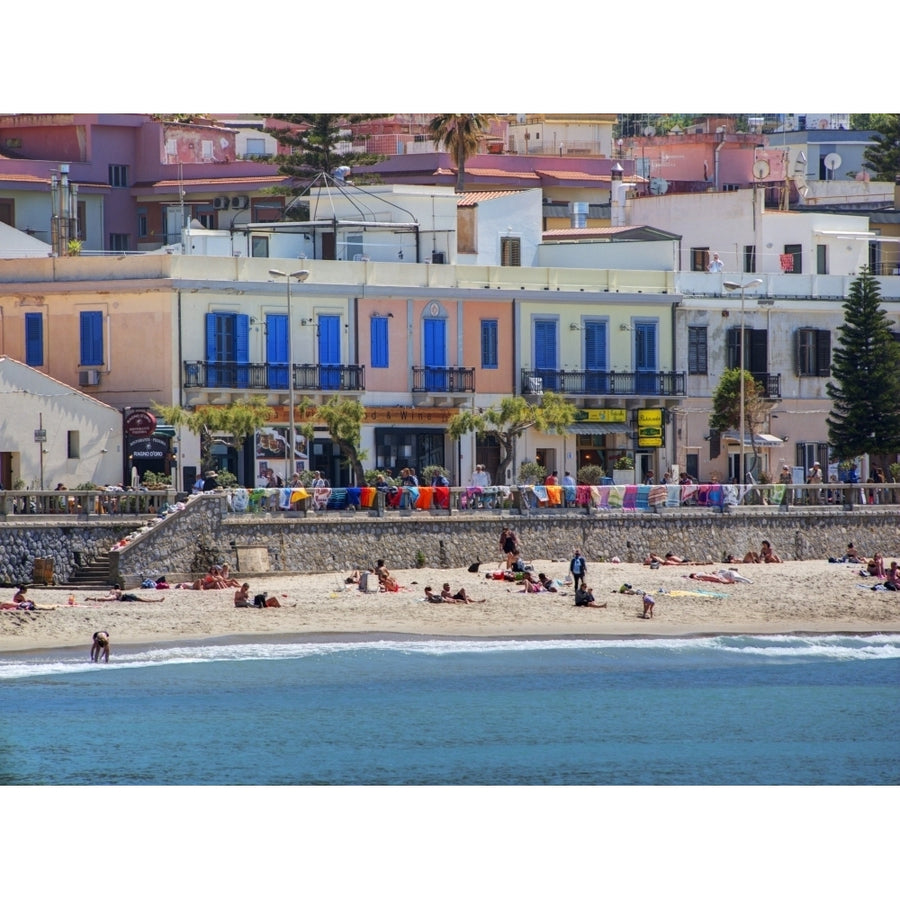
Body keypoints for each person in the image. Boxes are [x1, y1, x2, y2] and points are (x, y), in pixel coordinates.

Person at [85, 585, 163, 602]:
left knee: (104, 599)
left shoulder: (111, 591)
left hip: (125, 597)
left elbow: (105, 597)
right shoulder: (118, 591)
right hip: (126, 596)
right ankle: (157, 600)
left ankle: (91, 598)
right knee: (141, 599)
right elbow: (119, 596)